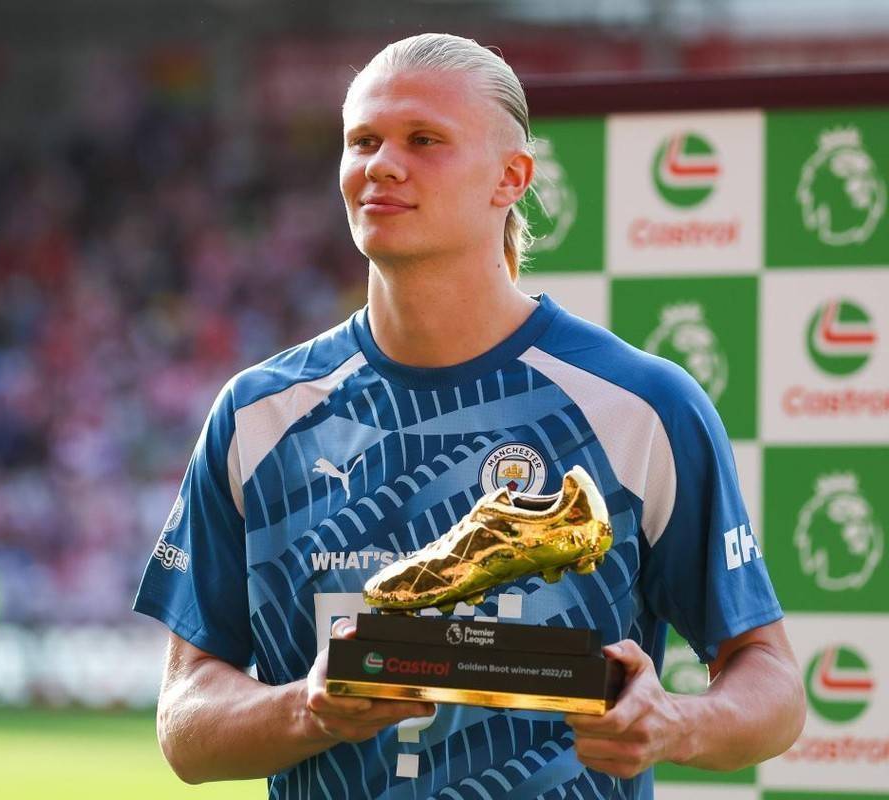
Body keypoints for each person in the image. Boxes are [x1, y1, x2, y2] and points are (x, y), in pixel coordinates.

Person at [132, 32, 805, 798]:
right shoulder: (258, 415)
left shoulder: (643, 405)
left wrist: (674, 722)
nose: (382, 164)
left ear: (511, 177)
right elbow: (185, 726)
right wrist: (309, 708)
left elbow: (773, 686)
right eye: (363, 141)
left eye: (424, 140)